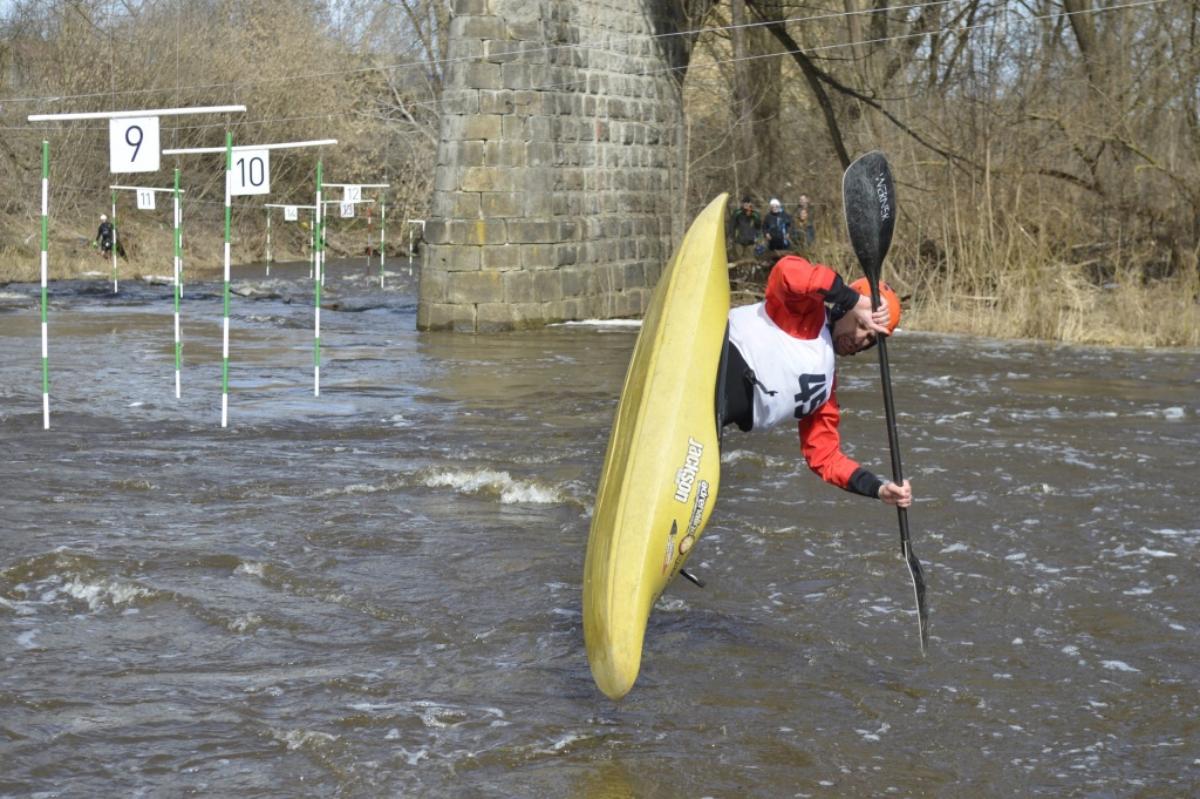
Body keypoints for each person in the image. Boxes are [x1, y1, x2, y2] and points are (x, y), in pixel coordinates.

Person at [719, 254, 913, 507]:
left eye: (870, 338)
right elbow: (788, 271)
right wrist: (854, 299)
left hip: (717, 419)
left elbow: (824, 456)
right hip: (713, 367)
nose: (860, 337)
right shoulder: (805, 310)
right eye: (860, 323)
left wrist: (878, 489)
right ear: (844, 309)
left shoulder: (825, 387)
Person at [727, 196, 761, 263]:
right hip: (739, 241)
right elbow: (732, 225)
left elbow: (758, 226)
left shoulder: (755, 214)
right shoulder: (737, 213)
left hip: (751, 241)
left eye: (748, 203)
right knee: (738, 260)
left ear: (750, 204)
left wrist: (757, 237)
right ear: (742, 203)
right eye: (745, 203)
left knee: (750, 260)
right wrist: (732, 237)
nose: (746, 204)